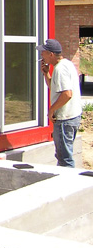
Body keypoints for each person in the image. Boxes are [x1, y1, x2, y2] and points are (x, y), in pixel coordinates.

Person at [37, 39, 82, 167]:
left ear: (51, 54)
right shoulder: (66, 64)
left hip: (65, 120)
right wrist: (46, 74)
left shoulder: (60, 69)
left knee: (64, 159)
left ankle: (68, 185)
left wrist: (52, 110)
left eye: (43, 53)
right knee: (64, 155)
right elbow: (56, 89)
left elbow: (67, 94)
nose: (41, 55)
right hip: (72, 118)